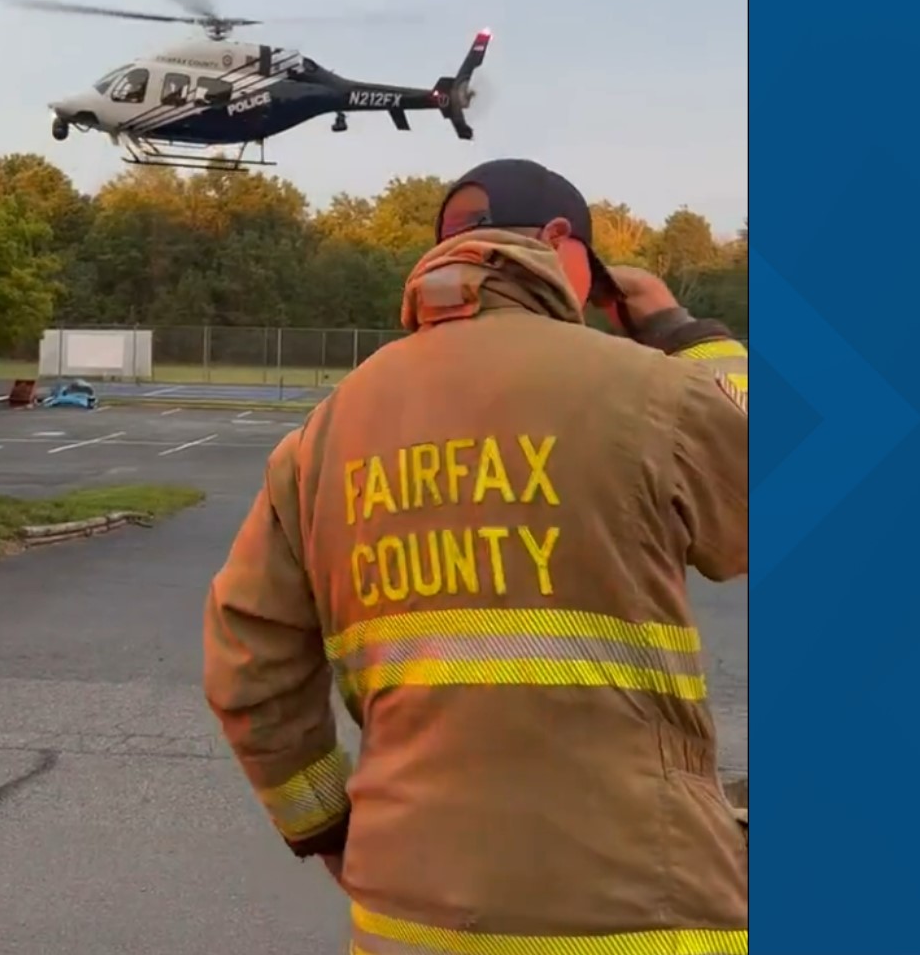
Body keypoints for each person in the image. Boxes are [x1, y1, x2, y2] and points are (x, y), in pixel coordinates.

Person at [202, 158, 749, 954]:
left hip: (408, 914)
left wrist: (326, 829)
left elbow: (246, 665)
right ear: (562, 244)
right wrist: (683, 333)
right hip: (640, 909)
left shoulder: (325, 430)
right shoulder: (646, 389)